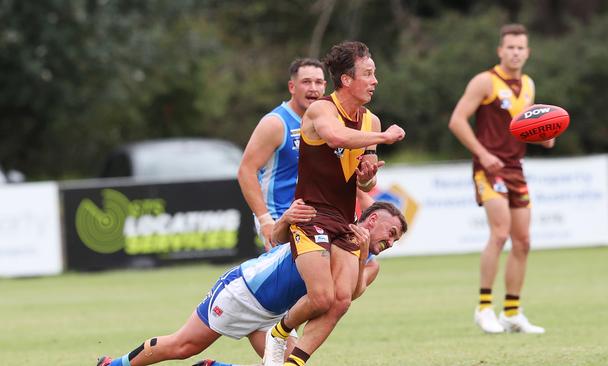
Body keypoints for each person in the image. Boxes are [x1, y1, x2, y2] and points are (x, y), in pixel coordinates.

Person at [95, 200, 407, 366]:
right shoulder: (333, 231)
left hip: (275, 315)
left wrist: (363, 251)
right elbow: (277, 238)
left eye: (396, 238)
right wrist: (285, 218)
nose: (392, 242)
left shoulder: (369, 261)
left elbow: (347, 295)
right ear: (371, 221)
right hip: (243, 292)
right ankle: (114, 365)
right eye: (391, 233)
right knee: (182, 346)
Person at [262, 41, 405, 366]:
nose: (374, 80)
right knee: (322, 296)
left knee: (341, 301)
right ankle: (279, 332)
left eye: (374, 74)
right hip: (311, 215)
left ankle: (293, 362)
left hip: (344, 221)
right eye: (368, 74)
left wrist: (367, 174)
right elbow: (337, 137)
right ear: (346, 80)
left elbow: (365, 179)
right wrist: (384, 139)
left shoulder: (372, 121)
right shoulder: (321, 110)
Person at [448, 23, 553, 334]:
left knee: (523, 241)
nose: (516, 52)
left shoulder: (529, 85)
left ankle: (512, 311)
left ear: (528, 52)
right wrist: (482, 154)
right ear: (500, 50)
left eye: (521, 47)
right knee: (499, 233)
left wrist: (547, 135)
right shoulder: (485, 81)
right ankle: (483, 309)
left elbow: (530, 128)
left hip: (515, 168)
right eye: (510, 47)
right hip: (489, 168)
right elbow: (457, 120)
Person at [237, 58, 327, 251]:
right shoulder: (276, 123)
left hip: (316, 216)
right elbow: (246, 170)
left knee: (366, 265)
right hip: (280, 218)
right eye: (306, 82)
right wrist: (264, 220)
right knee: (304, 277)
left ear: (325, 87)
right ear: (292, 87)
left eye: (318, 82)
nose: (313, 88)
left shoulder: (327, 122)